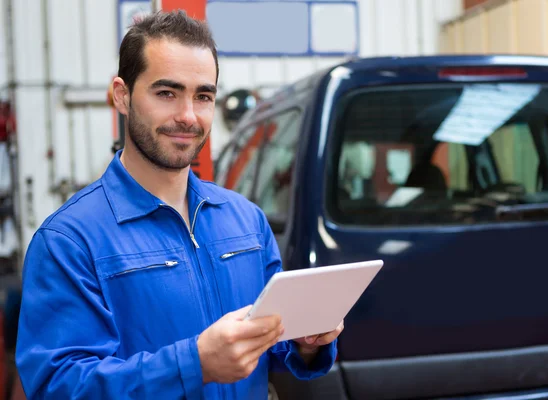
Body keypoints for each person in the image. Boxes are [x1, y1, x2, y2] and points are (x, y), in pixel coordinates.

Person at [15, 10, 342, 399]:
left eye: (203, 96)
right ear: (123, 95)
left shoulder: (246, 221)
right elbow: (59, 387)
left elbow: (270, 343)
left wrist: (307, 342)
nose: (188, 116)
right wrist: (195, 364)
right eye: (166, 93)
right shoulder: (69, 241)